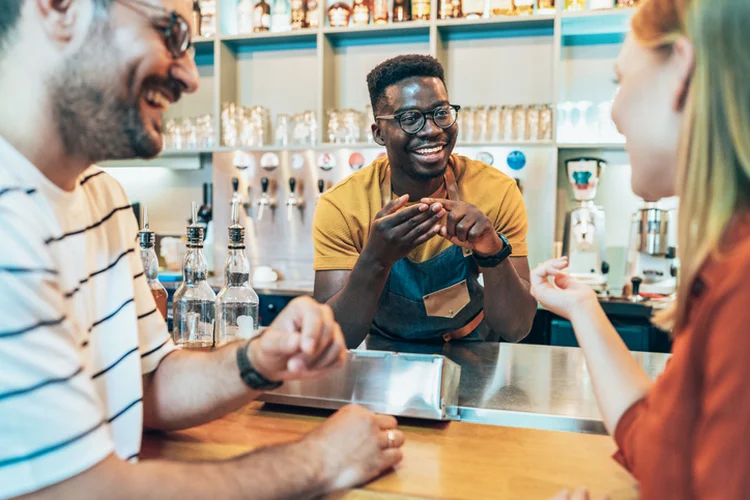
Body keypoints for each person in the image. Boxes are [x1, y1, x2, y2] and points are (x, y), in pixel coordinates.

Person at [0, 1, 405, 498]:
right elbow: (74, 491)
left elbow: (151, 384)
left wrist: (259, 358)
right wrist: (317, 460)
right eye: (172, 34)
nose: (192, 76)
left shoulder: (98, 194)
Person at [531, 0, 750, 498]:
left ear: (681, 67)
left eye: (620, 80)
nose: (614, 111)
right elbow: (659, 445)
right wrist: (582, 307)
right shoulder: (725, 261)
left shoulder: (742, 285)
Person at [313, 54, 537, 348]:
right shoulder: (343, 205)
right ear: (379, 133)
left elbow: (517, 327)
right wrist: (375, 260)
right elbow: (333, 338)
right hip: (386, 356)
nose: (432, 130)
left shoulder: (497, 191)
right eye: (409, 118)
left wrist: (491, 249)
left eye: (441, 113)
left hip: (473, 351)